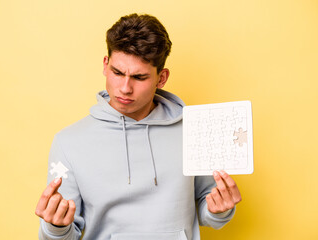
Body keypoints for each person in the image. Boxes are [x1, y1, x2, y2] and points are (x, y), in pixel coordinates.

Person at [35, 13, 242, 240]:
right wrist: (55, 228)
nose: (125, 88)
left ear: (161, 78)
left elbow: (207, 205)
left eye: (139, 77)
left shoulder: (193, 131)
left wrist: (219, 209)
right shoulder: (68, 142)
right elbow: (66, 233)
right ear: (106, 65)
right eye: (117, 72)